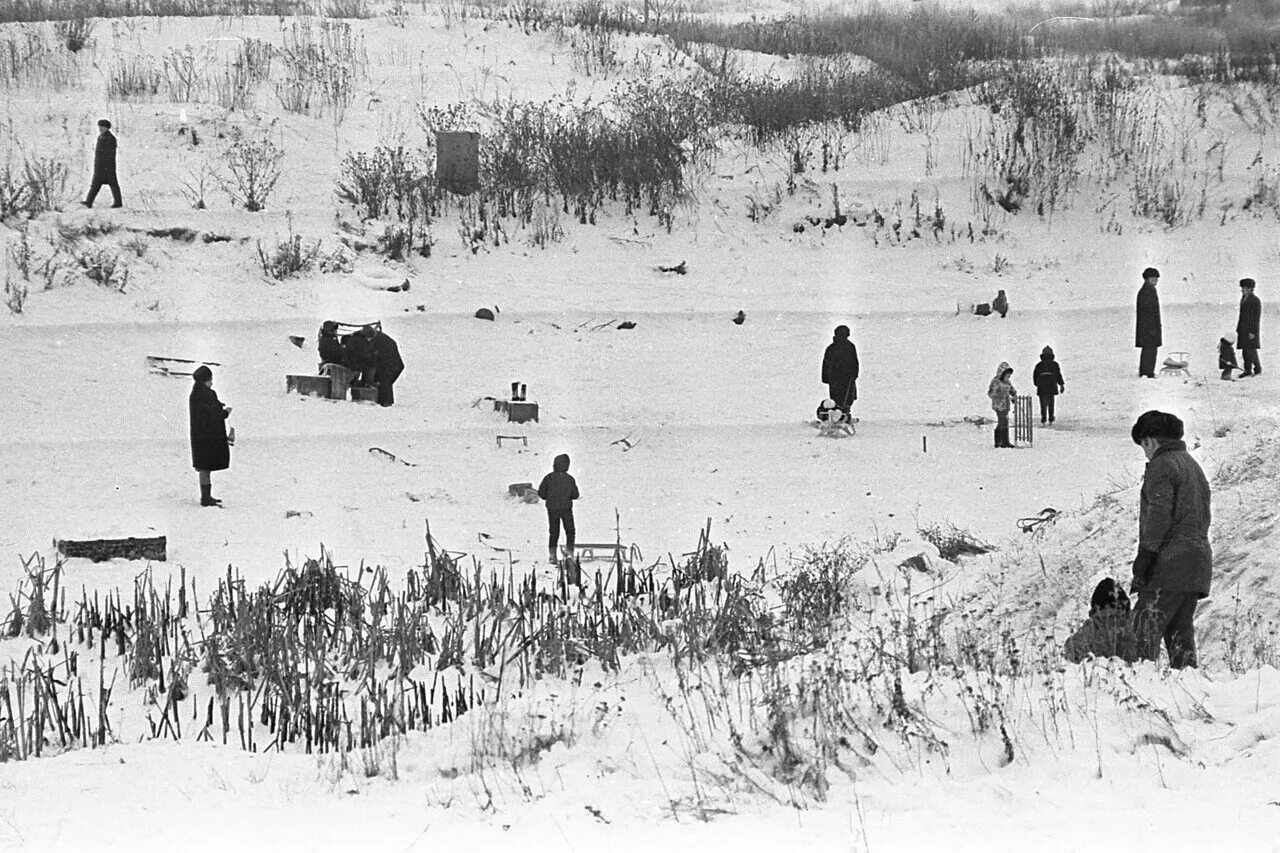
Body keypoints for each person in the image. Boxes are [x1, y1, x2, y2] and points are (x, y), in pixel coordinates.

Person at [1129, 410, 1212, 669]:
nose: (1144, 452)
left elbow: (1159, 514)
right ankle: (1189, 689)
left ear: (1150, 440)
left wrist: (1146, 555)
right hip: (1196, 562)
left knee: (1140, 634)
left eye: (1143, 445)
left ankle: (1135, 691)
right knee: (1180, 636)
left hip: (1169, 563)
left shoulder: (1162, 466)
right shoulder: (1191, 464)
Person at [1063, 578, 1139, 664]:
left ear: (1096, 606)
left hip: (1102, 673)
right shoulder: (1136, 622)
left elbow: (1071, 650)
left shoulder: (1094, 626)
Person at [189, 365, 231, 507]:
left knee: (203, 467)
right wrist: (226, 412)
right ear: (206, 380)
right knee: (207, 466)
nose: (212, 382)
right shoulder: (208, 394)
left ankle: (205, 496)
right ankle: (206, 498)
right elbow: (216, 415)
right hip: (210, 436)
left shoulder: (194, 394)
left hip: (199, 436)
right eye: (210, 379)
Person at [537, 453, 580, 564]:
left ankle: (552, 555)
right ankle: (570, 552)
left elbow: (541, 493)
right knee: (570, 531)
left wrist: (550, 497)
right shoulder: (570, 479)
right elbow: (576, 494)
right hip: (566, 508)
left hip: (552, 509)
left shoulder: (548, 478)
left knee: (554, 532)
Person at [81, 119, 122, 209]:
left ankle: (118, 203)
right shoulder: (101, 137)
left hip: (107, 166)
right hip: (100, 166)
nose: (100, 128)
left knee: (113, 184)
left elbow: (109, 153)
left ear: (107, 128)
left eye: (102, 127)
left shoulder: (110, 138)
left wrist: (105, 164)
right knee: (95, 184)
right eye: (99, 127)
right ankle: (89, 202)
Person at [821, 325, 859, 414]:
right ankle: (841, 414)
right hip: (841, 378)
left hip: (841, 378)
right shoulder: (849, 347)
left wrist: (825, 377)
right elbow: (855, 362)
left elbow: (825, 364)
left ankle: (842, 414)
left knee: (842, 398)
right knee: (843, 398)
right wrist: (855, 374)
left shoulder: (832, 347)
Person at [362, 325, 403, 407]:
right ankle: (383, 400)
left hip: (390, 364)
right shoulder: (377, 339)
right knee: (383, 381)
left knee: (385, 381)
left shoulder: (384, 343)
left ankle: (385, 402)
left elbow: (391, 363)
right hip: (386, 364)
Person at [1135, 267, 1162, 378]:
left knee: (1150, 350)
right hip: (1148, 327)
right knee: (1149, 350)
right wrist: (1151, 328)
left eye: (1156, 278)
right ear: (1147, 279)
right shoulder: (1146, 292)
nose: (1155, 280)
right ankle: (1147, 373)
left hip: (1151, 327)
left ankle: (1147, 372)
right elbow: (1147, 312)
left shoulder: (1150, 290)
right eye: (1152, 278)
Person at [1032, 346, 1065, 425]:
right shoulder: (1054, 364)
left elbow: (1035, 376)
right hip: (1051, 387)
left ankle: (1043, 419)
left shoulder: (1039, 365)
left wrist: (1037, 384)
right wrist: (1061, 384)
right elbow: (1058, 375)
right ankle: (1050, 419)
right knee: (1051, 404)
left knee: (1043, 404)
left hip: (1042, 388)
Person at [987, 361, 1016, 448]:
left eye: (1009, 375)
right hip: (999, 406)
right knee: (1003, 421)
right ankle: (1001, 441)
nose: (1008, 377)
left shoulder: (1008, 382)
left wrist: (1014, 395)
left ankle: (1003, 441)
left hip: (1006, 405)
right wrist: (1000, 396)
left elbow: (1012, 390)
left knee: (1004, 422)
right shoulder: (996, 382)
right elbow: (991, 393)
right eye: (1007, 375)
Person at [1237, 277, 1262, 377]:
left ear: (1250, 289)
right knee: (1245, 350)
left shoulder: (1255, 301)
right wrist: (1238, 328)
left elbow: (1256, 318)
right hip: (1243, 329)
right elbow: (1242, 316)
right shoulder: (1243, 299)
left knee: (1251, 350)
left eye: (1243, 288)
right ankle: (1248, 370)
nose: (1242, 290)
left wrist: (1253, 332)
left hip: (1251, 330)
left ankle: (1257, 369)